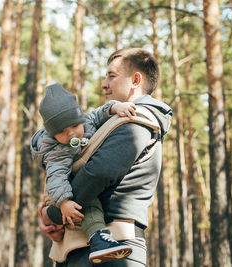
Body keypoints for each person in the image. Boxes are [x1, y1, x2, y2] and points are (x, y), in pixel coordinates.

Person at [38, 48, 172, 266]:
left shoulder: (137, 121)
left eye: (112, 76)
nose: (104, 84)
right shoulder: (113, 120)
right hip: (84, 250)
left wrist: (53, 214)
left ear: (135, 79)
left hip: (114, 249)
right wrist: (49, 206)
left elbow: (98, 172)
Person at [31, 83, 137, 264]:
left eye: (73, 125)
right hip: (68, 184)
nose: (71, 133)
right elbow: (55, 178)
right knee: (86, 204)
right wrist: (64, 202)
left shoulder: (86, 122)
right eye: (62, 132)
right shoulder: (57, 151)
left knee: (87, 195)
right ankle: (98, 239)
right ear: (53, 134)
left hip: (84, 174)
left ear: (80, 119)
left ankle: (100, 239)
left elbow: (98, 113)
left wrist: (115, 107)